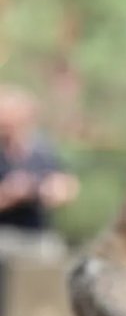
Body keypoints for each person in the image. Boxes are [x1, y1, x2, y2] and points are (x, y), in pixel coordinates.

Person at [0, 86, 78, 231]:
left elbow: (66, 185)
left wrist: (56, 191)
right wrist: (9, 194)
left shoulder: (43, 149)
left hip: (36, 234)